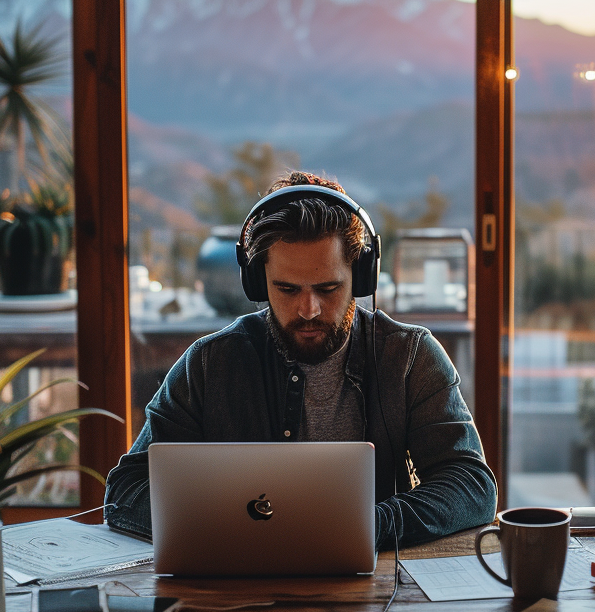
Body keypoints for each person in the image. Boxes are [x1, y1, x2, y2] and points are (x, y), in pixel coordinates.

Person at [104, 171, 497, 549]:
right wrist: (235, 529)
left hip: (369, 588)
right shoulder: (209, 365)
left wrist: (370, 525)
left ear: (360, 277)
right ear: (258, 282)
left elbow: (470, 485)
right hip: (237, 584)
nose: (308, 309)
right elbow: (126, 490)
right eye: (287, 289)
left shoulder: (410, 358)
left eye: (328, 288)